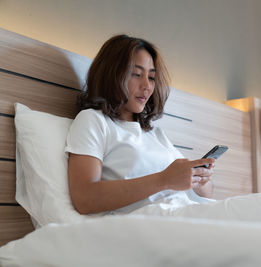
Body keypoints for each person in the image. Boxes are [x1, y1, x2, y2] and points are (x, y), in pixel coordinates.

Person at [65, 35, 215, 215]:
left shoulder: (155, 134)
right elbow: (85, 198)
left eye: (151, 77)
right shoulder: (94, 121)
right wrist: (163, 180)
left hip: (188, 212)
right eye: (136, 74)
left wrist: (200, 179)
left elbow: (207, 193)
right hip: (155, 222)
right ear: (112, 75)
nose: (147, 86)